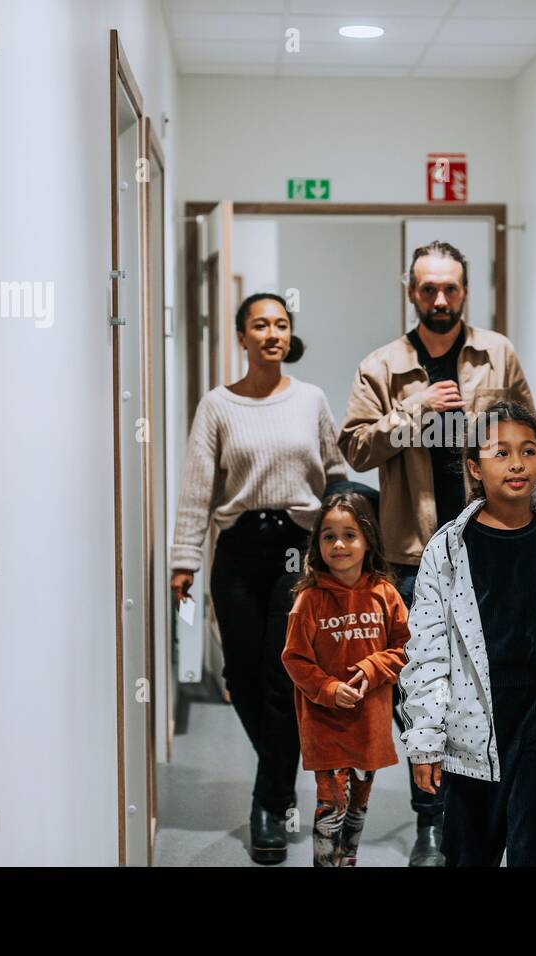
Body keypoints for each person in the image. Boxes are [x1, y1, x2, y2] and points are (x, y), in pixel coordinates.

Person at [340, 239, 536, 865]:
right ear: (411, 292)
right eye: (428, 288)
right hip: (412, 553)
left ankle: (478, 808)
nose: (440, 299)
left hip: (493, 545)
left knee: (494, 685)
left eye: (450, 288)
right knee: (419, 690)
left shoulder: (496, 354)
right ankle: (433, 815)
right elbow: (356, 450)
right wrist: (413, 411)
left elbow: (528, 437)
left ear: (465, 290)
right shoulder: (382, 366)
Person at [400, 401, 536, 866]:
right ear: (473, 467)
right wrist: (424, 740)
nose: (517, 463)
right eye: (500, 453)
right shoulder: (448, 548)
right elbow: (427, 653)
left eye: (529, 450)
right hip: (471, 723)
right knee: (469, 854)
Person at [169, 291, 348, 865]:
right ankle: (280, 767)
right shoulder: (218, 405)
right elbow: (199, 489)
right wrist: (183, 560)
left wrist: (344, 543)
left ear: (289, 335)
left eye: (281, 323)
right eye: (259, 325)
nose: (272, 333)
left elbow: (338, 472)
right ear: (242, 337)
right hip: (240, 549)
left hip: (298, 550)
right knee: (242, 678)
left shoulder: (312, 400)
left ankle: (268, 804)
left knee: (284, 678)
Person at [281, 492, 410, 866]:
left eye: (349, 534)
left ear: (368, 539)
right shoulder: (308, 599)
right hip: (325, 724)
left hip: (369, 723)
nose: (339, 544)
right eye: (328, 536)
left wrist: (372, 669)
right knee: (331, 803)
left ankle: (347, 859)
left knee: (358, 803)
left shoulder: (385, 594)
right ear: (316, 544)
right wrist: (328, 688)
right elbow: (294, 658)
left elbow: (407, 647)